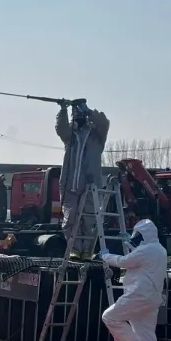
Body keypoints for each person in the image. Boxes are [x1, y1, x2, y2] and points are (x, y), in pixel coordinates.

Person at [100, 219, 167, 341]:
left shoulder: (146, 250)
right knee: (147, 333)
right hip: (153, 297)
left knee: (109, 317)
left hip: (139, 295)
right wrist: (129, 243)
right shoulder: (159, 249)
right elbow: (140, 257)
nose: (134, 238)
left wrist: (105, 256)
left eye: (137, 235)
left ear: (144, 235)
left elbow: (124, 262)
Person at [55, 100, 110, 256]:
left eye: (79, 111)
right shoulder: (70, 136)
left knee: (89, 219)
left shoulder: (96, 135)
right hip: (69, 184)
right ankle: (75, 250)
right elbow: (61, 128)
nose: (77, 115)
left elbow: (104, 122)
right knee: (70, 219)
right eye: (75, 112)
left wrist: (90, 111)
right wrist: (63, 110)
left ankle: (86, 251)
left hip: (90, 185)